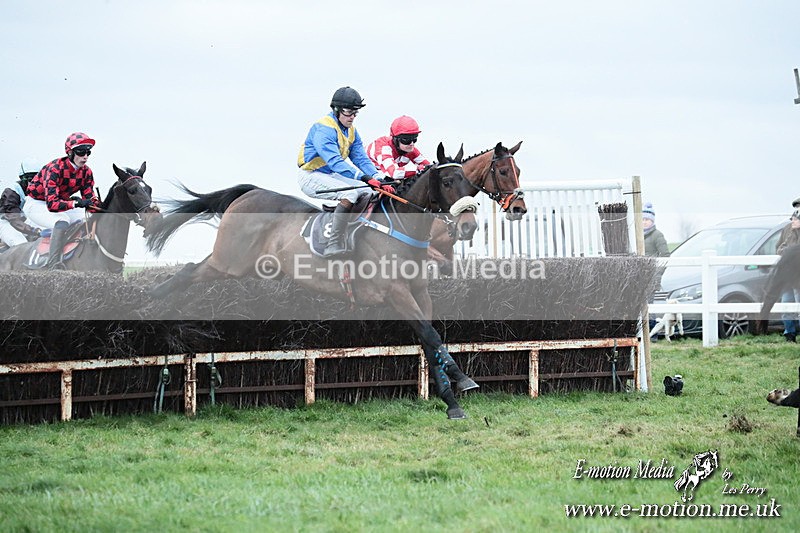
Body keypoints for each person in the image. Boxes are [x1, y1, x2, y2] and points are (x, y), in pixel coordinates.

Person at [297, 87, 394, 257]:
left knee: (371, 191)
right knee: (349, 196)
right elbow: (335, 162)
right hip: (311, 175)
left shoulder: (351, 131)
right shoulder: (324, 130)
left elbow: (361, 159)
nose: (352, 117)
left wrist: (380, 178)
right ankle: (333, 242)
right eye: (349, 112)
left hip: (331, 176)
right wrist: (364, 177)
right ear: (336, 110)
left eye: (355, 113)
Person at [24, 132, 99, 268]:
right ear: (70, 152)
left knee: (86, 218)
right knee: (62, 221)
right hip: (36, 204)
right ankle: (54, 265)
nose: (85, 156)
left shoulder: (86, 172)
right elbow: (52, 204)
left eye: (88, 152)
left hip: (59, 203)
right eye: (81, 152)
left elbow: (89, 200)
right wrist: (75, 203)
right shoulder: (54, 169)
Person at [366, 115, 431, 180]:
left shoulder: (410, 149)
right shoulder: (383, 147)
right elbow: (395, 173)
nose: (411, 143)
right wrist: (419, 169)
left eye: (414, 139)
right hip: (362, 175)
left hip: (382, 174)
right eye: (406, 140)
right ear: (395, 139)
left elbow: (429, 167)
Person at [0, 159, 44, 248]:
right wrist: (35, 231)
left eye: (39, 179)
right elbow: (14, 220)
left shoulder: (41, 191)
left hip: (23, 221)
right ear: (22, 178)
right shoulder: (12, 191)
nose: (35, 183)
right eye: (31, 179)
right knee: (21, 244)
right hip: (6, 222)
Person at [776, 208, 800, 342]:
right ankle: (789, 334)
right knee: (785, 305)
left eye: (795, 219)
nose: (792, 220)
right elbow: (779, 248)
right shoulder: (789, 232)